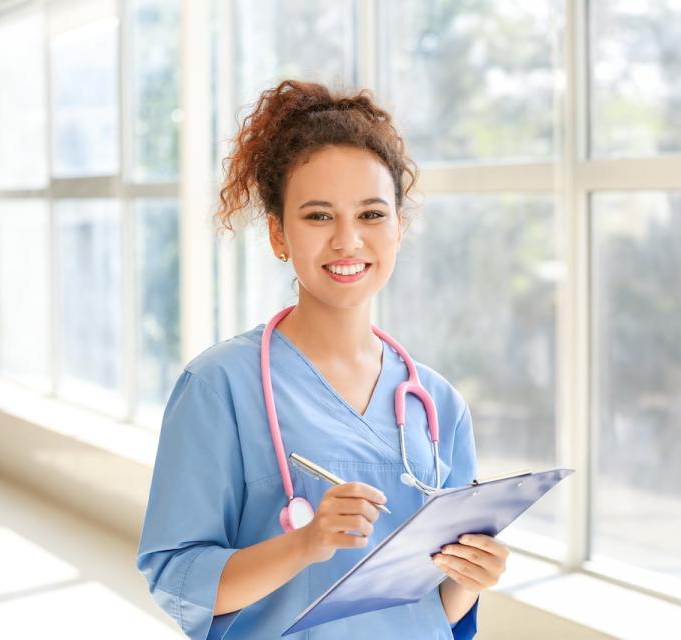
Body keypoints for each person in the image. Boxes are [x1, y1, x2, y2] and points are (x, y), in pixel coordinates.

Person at [136, 79, 509, 640]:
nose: (348, 241)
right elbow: (176, 578)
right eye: (317, 216)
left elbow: (433, 613)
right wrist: (304, 545)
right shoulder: (219, 386)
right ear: (278, 234)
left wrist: (471, 578)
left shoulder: (439, 404)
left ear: (399, 229)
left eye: (372, 215)